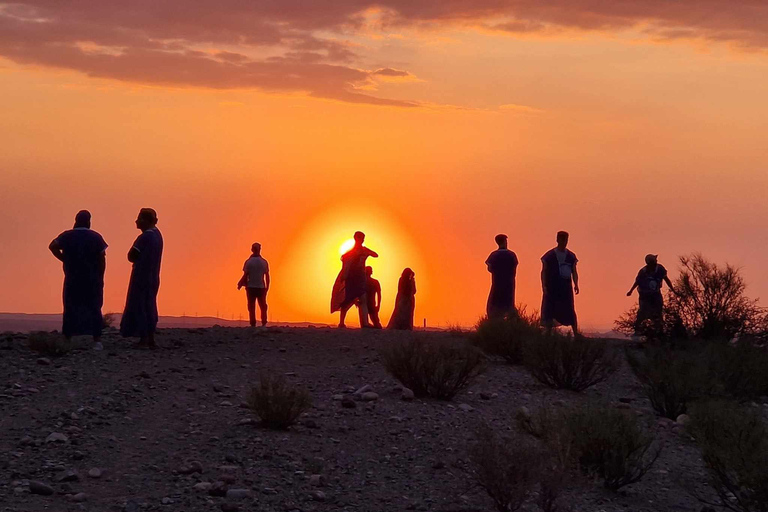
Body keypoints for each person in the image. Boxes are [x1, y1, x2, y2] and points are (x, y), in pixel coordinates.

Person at [48, 210, 108, 349]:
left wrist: (64, 259)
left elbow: (52, 246)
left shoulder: (67, 236)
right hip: (92, 278)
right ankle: (97, 339)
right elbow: (102, 258)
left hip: (72, 276)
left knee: (70, 306)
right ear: (89, 222)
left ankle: (68, 337)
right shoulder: (96, 237)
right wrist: (101, 275)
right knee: (94, 306)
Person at [120, 208, 163, 348]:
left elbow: (131, 256)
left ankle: (143, 339)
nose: (136, 221)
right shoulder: (158, 235)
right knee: (149, 305)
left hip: (141, 276)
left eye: (139, 218)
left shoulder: (145, 237)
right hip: (153, 276)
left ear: (145, 220)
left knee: (139, 305)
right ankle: (150, 338)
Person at [331, 231, 378, 328]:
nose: (362, 240)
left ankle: (365, 323)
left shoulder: (363, 251)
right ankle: (341, 322)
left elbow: (375, 255)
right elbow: (345, 262)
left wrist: (366, 252)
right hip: (352, 278)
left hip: (361, 278)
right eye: (361, 238)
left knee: (363, 299)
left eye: (363, 238)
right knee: (347, 300)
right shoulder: (350, 253)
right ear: (356, 238)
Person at [541, 231, 580, 335]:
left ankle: (576, 333)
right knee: (550, 310)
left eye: (566, 240)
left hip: (566, 287)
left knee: (570, 309)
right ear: (557, 240)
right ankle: (548, 333)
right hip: (552, 287)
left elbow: (574, 271)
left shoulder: (571, 256)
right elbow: (544, 271)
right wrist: (544, 286)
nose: (564, 242)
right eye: (562, 240)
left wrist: (576, 284)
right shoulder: (549, 256)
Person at [626, 254, 676, 337]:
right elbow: (637, 282)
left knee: (658, 312)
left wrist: (673, 289)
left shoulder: (660, 269)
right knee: (642, 312)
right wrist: (631, 290)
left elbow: (666, 279)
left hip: (656, 294)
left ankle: (660, 331)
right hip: (644, 295)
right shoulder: (643, 271)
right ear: (650, 262)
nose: (656, 261)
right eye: (654, 260)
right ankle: (637, 331)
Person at [485, 234, 519, 319]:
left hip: (497, 284)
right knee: (509, 303)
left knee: (494, 304)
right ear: (504, 241)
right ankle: (513, 322)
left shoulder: (493, 255)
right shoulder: (511, 255)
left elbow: (489, 268)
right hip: (509, 284)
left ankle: (495, 322)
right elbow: (515, 267)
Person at [237, 243, 270, 327]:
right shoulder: (264, 262)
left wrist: (240, 283)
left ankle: (253, 323)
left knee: (251, 306)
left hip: (251, 287)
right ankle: (264, 322)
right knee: (263, 305)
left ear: (252, 249)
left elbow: (246, 275)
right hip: (261, 287)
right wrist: (267, 288)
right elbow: (267, 276)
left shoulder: (248, 262)